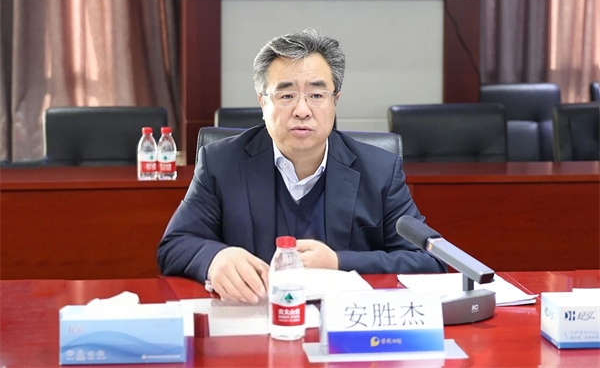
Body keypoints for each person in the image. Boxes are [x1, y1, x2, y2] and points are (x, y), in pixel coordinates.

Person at [157, 28, 446, 303]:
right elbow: (175, 245)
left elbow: (428, 260)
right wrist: (214, 259)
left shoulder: (379, 170)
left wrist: (338, 261)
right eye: (286, 95)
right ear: (263, 103)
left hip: (345, 323)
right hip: (254, 316)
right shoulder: (221, 163)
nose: (302, 110)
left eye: (317, 95)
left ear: (335, 101)